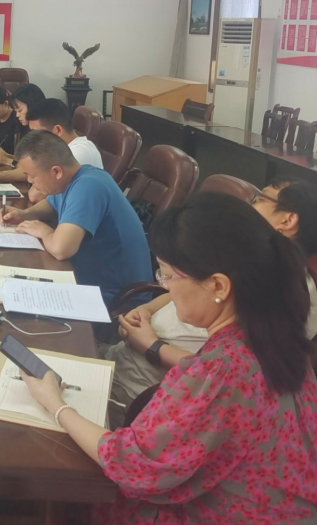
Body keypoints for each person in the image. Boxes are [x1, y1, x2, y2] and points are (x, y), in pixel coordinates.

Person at [19, 194, 317, 524]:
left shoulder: (225, 368)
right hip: (281, 509)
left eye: (168, 276)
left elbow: (131, 465)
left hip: (219, 515)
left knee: (57, 490)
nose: (166, 288)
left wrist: (55, 404)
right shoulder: (276, 339)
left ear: (218, 285)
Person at [105, 179, 317, 422]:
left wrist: (153, 346)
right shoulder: (243, 255)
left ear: (287, 220)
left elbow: (230, 374)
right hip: (124, 359)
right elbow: (179, 288)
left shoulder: (291, 292)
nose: (249, 206)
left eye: (260, 199)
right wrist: (146, 309)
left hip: (142, 391)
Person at [1, 131, 152, 302]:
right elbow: (52, 204)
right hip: (89, 279)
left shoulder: (89, 186)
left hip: (116, 296)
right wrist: (25, 214)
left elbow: (61, 249)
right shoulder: (75, 177)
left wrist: (44, 231)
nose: (29, 180)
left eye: (32, 176)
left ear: (56, 171)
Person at [0, 83, 46, 183]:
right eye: (16, 111)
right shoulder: (24, 127)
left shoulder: (43, 134)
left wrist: (6, 163)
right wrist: (7, 156)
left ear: (34, 108)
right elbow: (26, 159)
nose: (17, 115)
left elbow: (33, 170)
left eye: (20, 110)